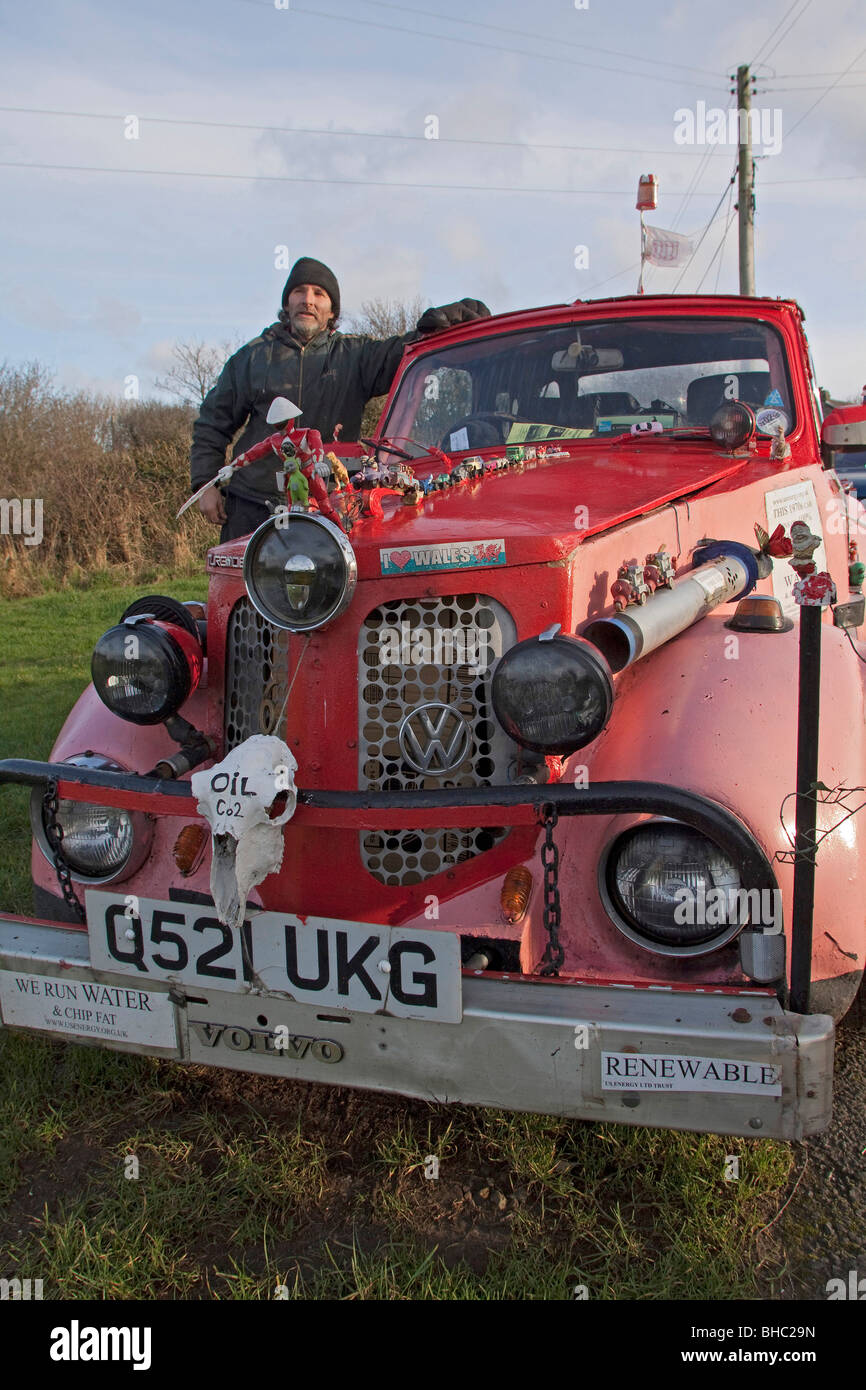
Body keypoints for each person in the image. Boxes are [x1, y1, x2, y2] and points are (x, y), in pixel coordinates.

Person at [189, 255, 490, 541]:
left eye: (319, 293)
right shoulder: (251, 358)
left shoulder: (356, 356)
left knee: (333, 592)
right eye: (299, 291)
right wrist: (205, 485)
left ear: (332, 310)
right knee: (243, 593)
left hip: (330, 504)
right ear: (286, 303)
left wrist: (442, 325)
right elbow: (212, 425)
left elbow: (404, 351)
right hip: (252, 506)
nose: (308, 299)